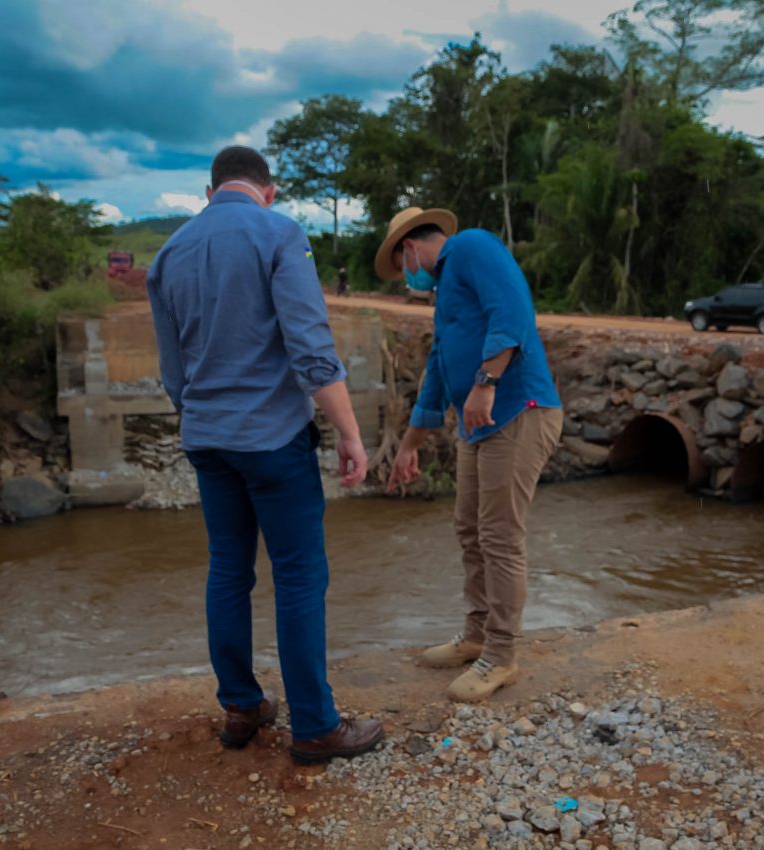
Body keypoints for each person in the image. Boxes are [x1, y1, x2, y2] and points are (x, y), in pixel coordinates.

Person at [146, 145, 382, 762]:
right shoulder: (280, 234)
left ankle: (241, 706)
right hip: (273, 441)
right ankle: (314, 725)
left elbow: (172, 372)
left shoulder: (169, 253)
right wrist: (350, 434)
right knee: (299, 575)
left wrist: (201, 416)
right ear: (268, 189)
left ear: (209, 191)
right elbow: (310, 347)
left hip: (207, 440)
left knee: (228, 569)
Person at [379, 207, 563, 703]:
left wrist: (486, 383)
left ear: (410, 247)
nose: (406, 277)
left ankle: (500, 656)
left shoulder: (472, 246)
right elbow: (438, 369)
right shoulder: (444, 292)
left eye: (402, 265)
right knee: (469, 527)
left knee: (500, 536)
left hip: (518, 411)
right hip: (477, 423)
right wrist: (409, 446)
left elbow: (514, 310)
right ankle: (477, 634)